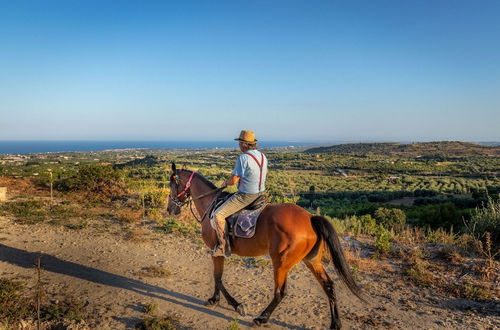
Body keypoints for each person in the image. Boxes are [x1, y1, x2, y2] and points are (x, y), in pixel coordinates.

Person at [211, 130, 268, 257]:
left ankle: (223, 247)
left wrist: (225, 183)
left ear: (244, 144)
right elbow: (263, 172)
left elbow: (233, 181)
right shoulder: (263, 156)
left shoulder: (243, 158)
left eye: (240, 143)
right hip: (261, 194)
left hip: (246, 196)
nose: (239, 146)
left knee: (218, 215)